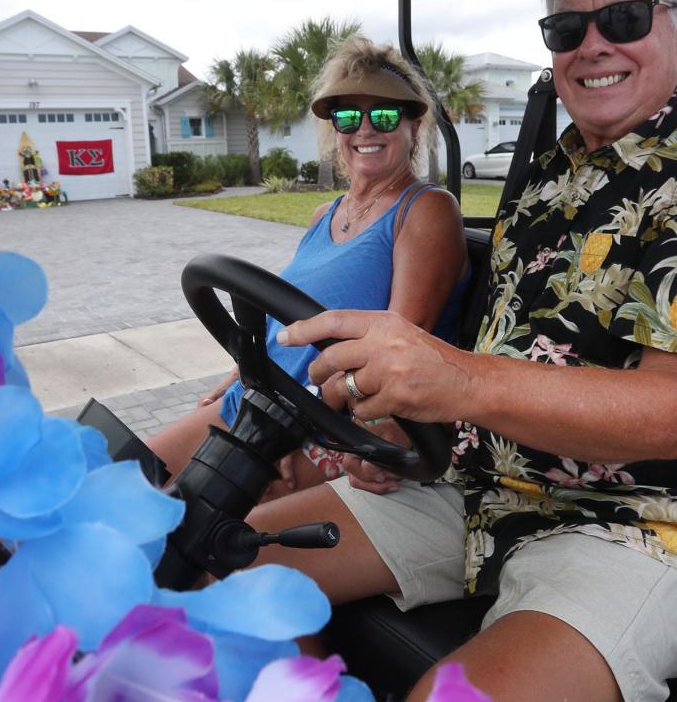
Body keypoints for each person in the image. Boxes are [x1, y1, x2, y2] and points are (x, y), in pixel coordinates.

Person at [248, 0, 677, 702]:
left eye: (624, 18)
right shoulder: (547, 178)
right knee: (233, 558)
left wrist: (452, 382)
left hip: (650, 519)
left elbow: (672, 416)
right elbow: (513, 362)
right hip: (486, 485)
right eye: (567, 29)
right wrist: (410, 432)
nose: (593, 45)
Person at [148, 36, 469, 494]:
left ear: (413, 127)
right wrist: (243, 371)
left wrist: (296, 427)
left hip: (331, 424)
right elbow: (290, 320)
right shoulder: (325, 214)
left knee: (184, 541)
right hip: (261, 402)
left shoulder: (426, 210)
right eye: (347, 116)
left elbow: (394, 357)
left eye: (383, 115)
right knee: (120, 477)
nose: (364, 129)